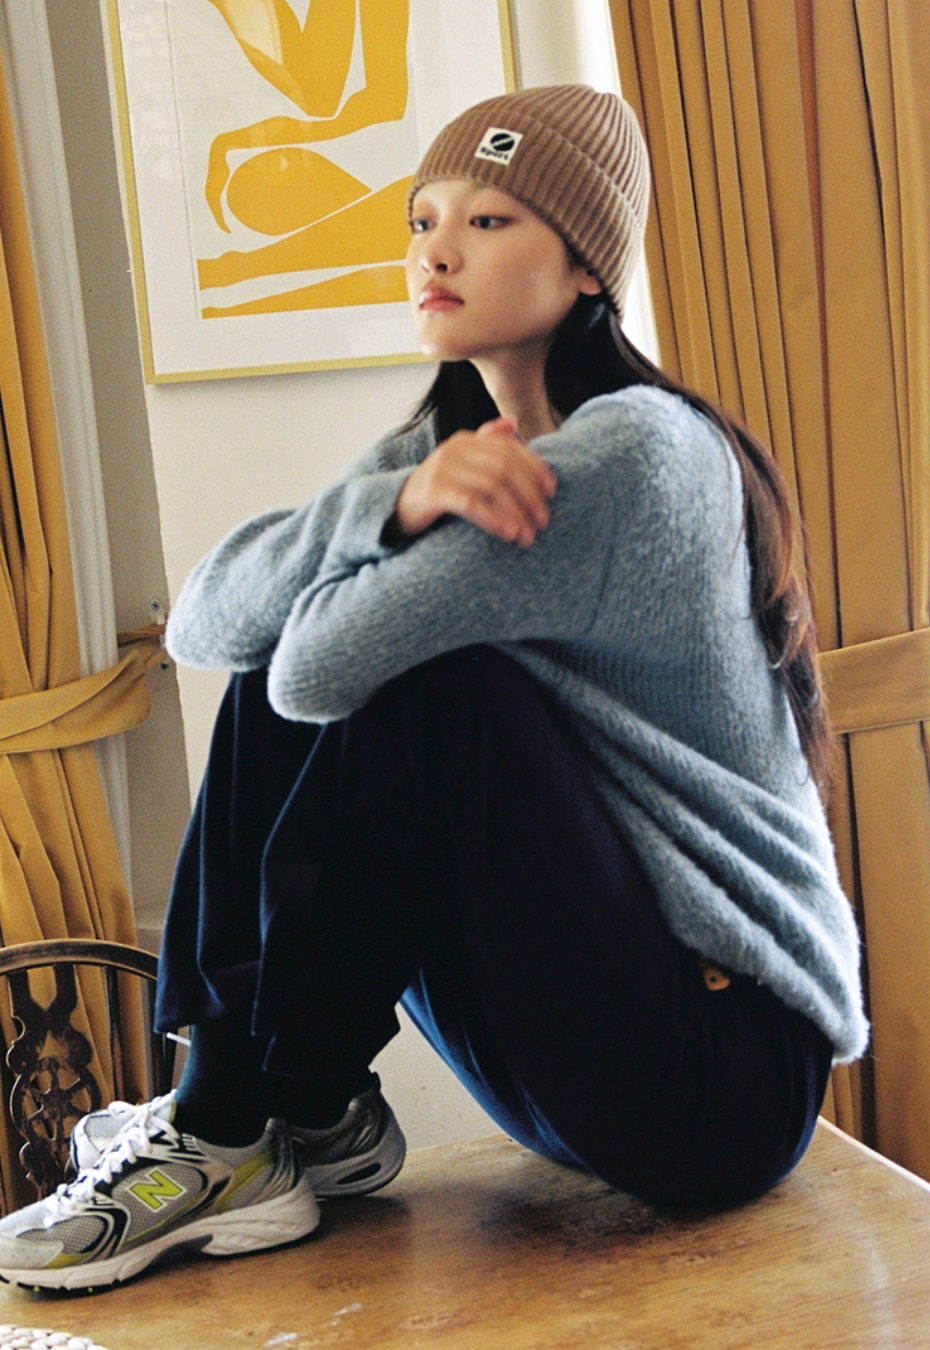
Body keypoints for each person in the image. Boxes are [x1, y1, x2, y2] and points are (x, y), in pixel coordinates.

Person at [0, 84, 867, 1292]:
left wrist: (374, 538)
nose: (436, 252)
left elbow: (317, 667)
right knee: (313, 645)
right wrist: (388, 504)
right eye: (421, 221)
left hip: (718, 1073)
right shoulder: (445, 452)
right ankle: (297, 1114)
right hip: (573, 1043)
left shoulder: (639, 456)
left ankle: (229, 1119)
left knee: (430, 681)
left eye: (489, 221)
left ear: (587, 269)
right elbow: (209, 621)